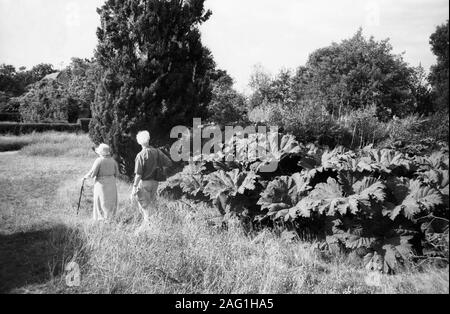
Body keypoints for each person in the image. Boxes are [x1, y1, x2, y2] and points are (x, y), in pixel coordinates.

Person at [131, 131, 172, 230]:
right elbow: (169, 163)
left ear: (139, 142)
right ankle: (154, 227)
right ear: (148, 139)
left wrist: (134, 187)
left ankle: (148, 230)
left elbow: (138, 174)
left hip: (144, 183)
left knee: (146, 208)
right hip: (155, 183)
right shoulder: (157, 152)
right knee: (152, 205)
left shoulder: (140, 155)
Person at [83, 143, 119, 221]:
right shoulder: (113, 160)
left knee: (101, 201)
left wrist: (86, 177)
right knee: (110, 201)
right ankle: (110, 219)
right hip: (112, 183)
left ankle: (101, 219)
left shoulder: (99, 160)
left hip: (101, 184)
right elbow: (117, 173)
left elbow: (93, 173)